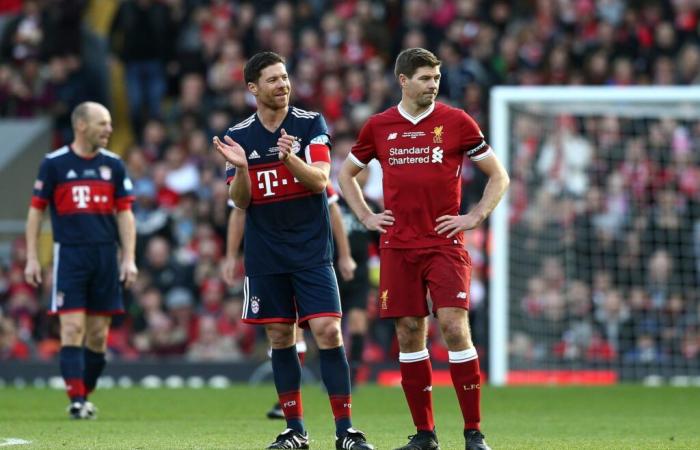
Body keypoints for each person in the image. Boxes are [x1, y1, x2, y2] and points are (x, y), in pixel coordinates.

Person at [338, 48, 509, 450]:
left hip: (444, 244)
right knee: (409, 332)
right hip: (398, 246)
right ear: (403, 80)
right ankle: (425, 435)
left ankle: (473, 433)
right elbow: (346, 175)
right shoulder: (379, 126)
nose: (433, 85)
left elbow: (498, 176)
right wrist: (365, 216)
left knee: (452, 325)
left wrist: (475, 216)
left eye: (436, 78)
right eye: (425, 78)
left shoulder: (456, 122)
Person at [213, 51, 373, 450]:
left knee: (328, 329)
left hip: (310, 251)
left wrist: (290, 160)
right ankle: (295, 431)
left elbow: (320, 180)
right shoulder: (239, 136)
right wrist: (245, 170)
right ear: (253, 88)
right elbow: (242, 202)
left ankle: (345, 431)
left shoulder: (309, 123)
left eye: (285, 78)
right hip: (266, 254)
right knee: (280, 335)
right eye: (273, 80)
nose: (283, 85)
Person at [24, 101, 137, 419]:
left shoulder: (114, 165)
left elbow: (126, 215)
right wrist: (32, 258)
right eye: (103, 123)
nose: (109, 129)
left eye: (111, 123)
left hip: (105, 255)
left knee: (99, 335)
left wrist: (129, 258)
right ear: (81, 126)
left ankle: (83, 393)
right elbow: (36, 212)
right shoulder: (54, 164)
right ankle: (76, 400)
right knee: (72, 328)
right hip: (70, 255)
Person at [220, 186, 357, 420]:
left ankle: (342, 425)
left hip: (310, 259)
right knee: (284, 333)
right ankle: (291, 411)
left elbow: (332, 208)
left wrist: (345, 255)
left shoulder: (307, 159)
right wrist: (231, 256)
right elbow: (238, 210)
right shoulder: (252, 162)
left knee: (326, 329)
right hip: (271, 261)